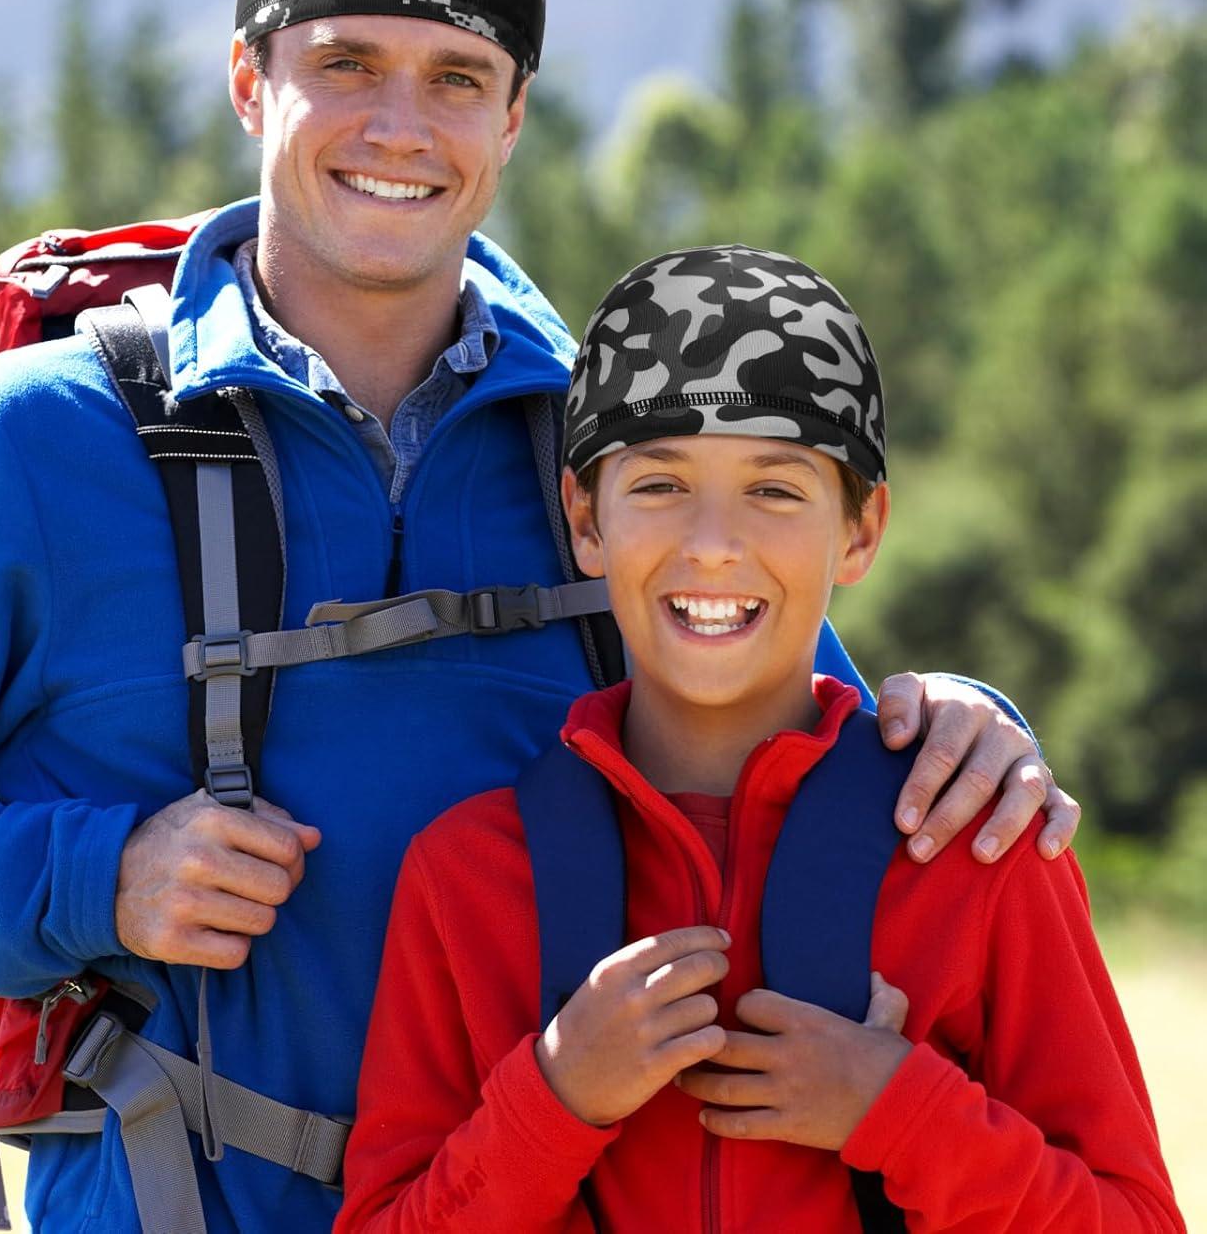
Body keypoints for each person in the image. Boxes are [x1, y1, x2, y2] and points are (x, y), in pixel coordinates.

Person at [0, 0, 1076, 1234]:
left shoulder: (614, 449)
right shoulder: (35, 441)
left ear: (515, 116)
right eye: (347, 62)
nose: (399, 126)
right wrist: (96, 877)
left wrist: (963, 718)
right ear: (251, 82)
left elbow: (794, 713)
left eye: (457, 79)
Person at [335, 244, 1182, 1234]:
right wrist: (557, 1098)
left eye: (776, 490)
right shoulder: (471, 875)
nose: (712, 543)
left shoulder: (981, 850)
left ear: (861, 532)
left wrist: (899, 1112)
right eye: (658, 484)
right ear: (584, 520)